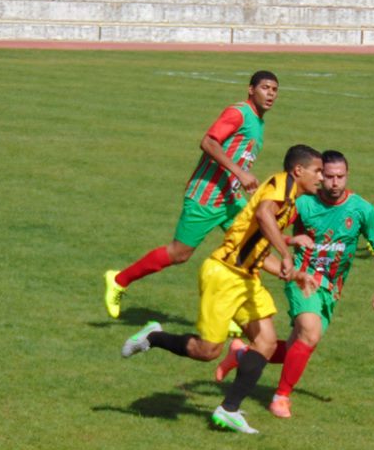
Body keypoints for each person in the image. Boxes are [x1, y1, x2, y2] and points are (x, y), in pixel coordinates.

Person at [120, 145, 323, 434]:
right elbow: (264, 215)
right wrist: (287, 253)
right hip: (225, 275)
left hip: (247, 279)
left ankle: (228, 410)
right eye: (317, 171)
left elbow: (259, 250)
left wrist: (295, 274)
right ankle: (154, 337)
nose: (321, 177)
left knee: (266, 342)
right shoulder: (281, 185)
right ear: (298, 170)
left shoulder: (289, 202)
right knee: (207, 351)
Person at [214, 150, 374, 419]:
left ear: (347, 175)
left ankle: (242, 355)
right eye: (328, 176)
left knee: (297, 347)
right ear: (320, 175)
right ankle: (281, 397)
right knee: (310, 332)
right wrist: (288, 244)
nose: (334, 182)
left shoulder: (362, 209)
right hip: (302, 278)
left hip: (331, 289)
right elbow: (270, 228)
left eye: (340, 177)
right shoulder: (303, 204)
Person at [103, 71, 280, 319]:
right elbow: (208, 142)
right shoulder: (238, 113)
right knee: (179, 253)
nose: (270, 94)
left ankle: (240, 315)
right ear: (251, 90)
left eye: (274, 90)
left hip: (230, 199)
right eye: (265, 88)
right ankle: (119, 280)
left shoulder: (258, 121)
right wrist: (240, 173)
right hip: (206, 197)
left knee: (253, 246)